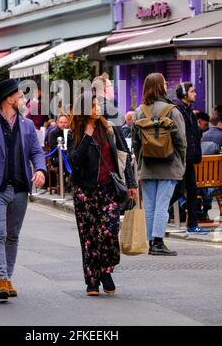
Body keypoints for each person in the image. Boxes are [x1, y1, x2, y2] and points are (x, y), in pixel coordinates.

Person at [0, 79, 46, 301]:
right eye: (20, 95)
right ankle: (1, 279)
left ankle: (8, 278)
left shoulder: (28, 125)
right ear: (8, 99)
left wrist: (40, 169)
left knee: (12, 236)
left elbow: (36, 152)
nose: (23, 99)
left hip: (21, 188)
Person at [68, 91, 137, 297]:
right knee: (88, 237)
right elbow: (74, 162)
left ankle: (105, 270)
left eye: (99, 105)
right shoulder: (75, 132)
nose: (98, 109)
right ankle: (93, 280)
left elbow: (123, 157)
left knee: (108, 231)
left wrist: (131, 184)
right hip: (84, 191)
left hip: (108, 189)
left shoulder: (110, 128)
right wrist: (87, 136)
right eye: (94, 106)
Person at [132, 73, 187, 256]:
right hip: (169, 165)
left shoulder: (140, 111)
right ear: (159, 87)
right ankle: (158, 242)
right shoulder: (172, 110)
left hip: (147, 165)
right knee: (162, 205)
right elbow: (181, 140)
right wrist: (181, 161)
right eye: (164, 83)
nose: (167, 85)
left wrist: (140, 161)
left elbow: (135, 142)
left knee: (149, 204)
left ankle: (150, 242)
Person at [174, 82, 210, 234]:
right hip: (181, 159)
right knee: (177, 191)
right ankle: (158, 219)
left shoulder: (189, 111)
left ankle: (193, 224)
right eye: (192, 91)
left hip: (189, 159)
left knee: (192, 190)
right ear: (184, 94)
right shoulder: (179, 111)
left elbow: (193, 133)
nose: (195, 94)